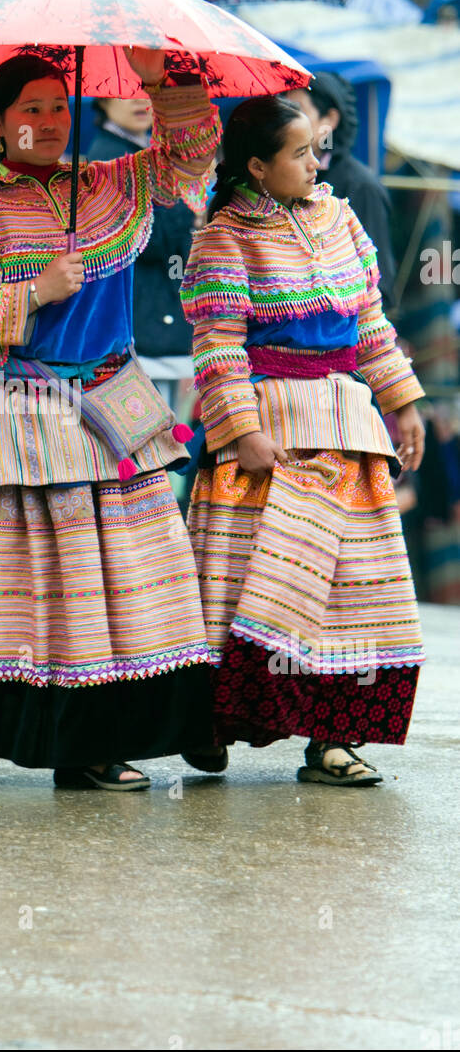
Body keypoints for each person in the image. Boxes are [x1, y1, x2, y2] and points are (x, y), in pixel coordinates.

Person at [0, 50, 224, 790]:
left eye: (56, 107)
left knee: (146, 574)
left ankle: (141, 726)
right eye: (29, 111)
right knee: (44, 587)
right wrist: (37, 291)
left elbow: (191, 159)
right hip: (22, 410)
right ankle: (54, 742)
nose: (47, 123)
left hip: (114, 403)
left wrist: (162, 81)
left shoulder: (113, 183)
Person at [180, 94, 426, 786]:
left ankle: (334, 738)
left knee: (352, 590)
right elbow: (218, 348)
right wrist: (242, 433)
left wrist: (404, 403)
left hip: (347, 425)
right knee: (249, 586)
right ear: (257, 166)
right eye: (299, 154)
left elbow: (371, 325)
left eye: (316, 150)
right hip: (270, 432)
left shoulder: (342, 218)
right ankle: (216, 719)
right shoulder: (223, 236)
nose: (317, 163)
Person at [87, 96, 196, 414]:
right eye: (123, 91)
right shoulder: (110, 159)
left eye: (146, 90)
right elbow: (149, 239)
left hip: (150, 315)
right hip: (137, 320)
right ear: (103, 101)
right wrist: (187, 209)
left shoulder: (143, 153)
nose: (138, 100)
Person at [287, 71, 397, 306]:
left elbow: (379, 283)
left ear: (329, 120)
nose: (288, 122)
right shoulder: (283, 180)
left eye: (297, 111)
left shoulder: (360, 185)